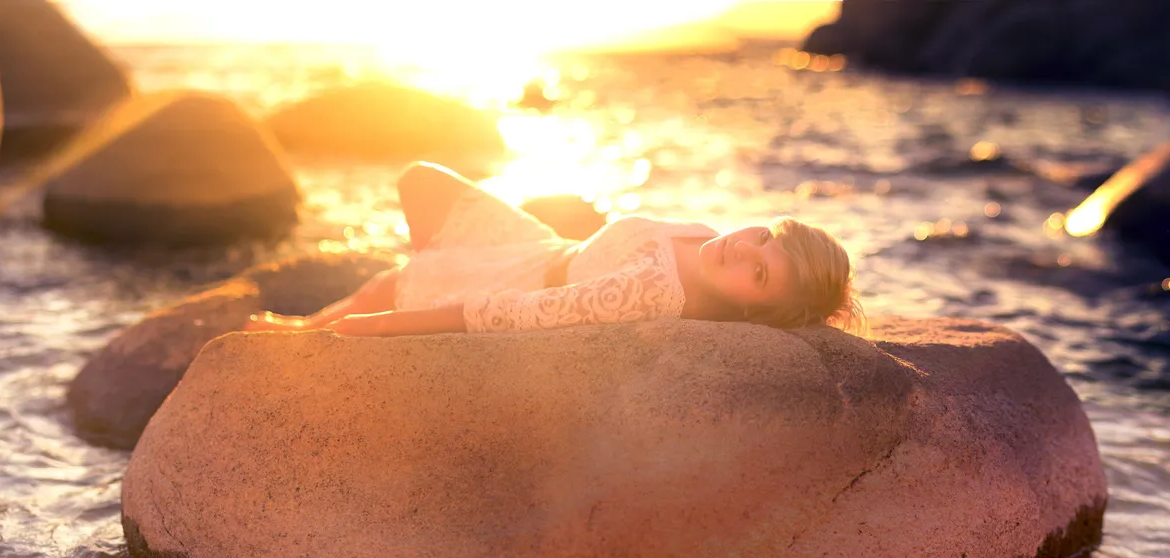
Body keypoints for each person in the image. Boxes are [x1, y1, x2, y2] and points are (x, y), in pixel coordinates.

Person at [245, 162, 862, 337]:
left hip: (531, 280)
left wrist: (373, 329)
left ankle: (304, 330)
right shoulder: (708, 240)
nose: (741, 249)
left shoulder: (651, 292)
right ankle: (343, 307)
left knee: (395, 287)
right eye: (762, 236)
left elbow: (501, 316)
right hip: (545, 243)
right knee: (421, 179)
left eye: (758, 273)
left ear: (754, 311)